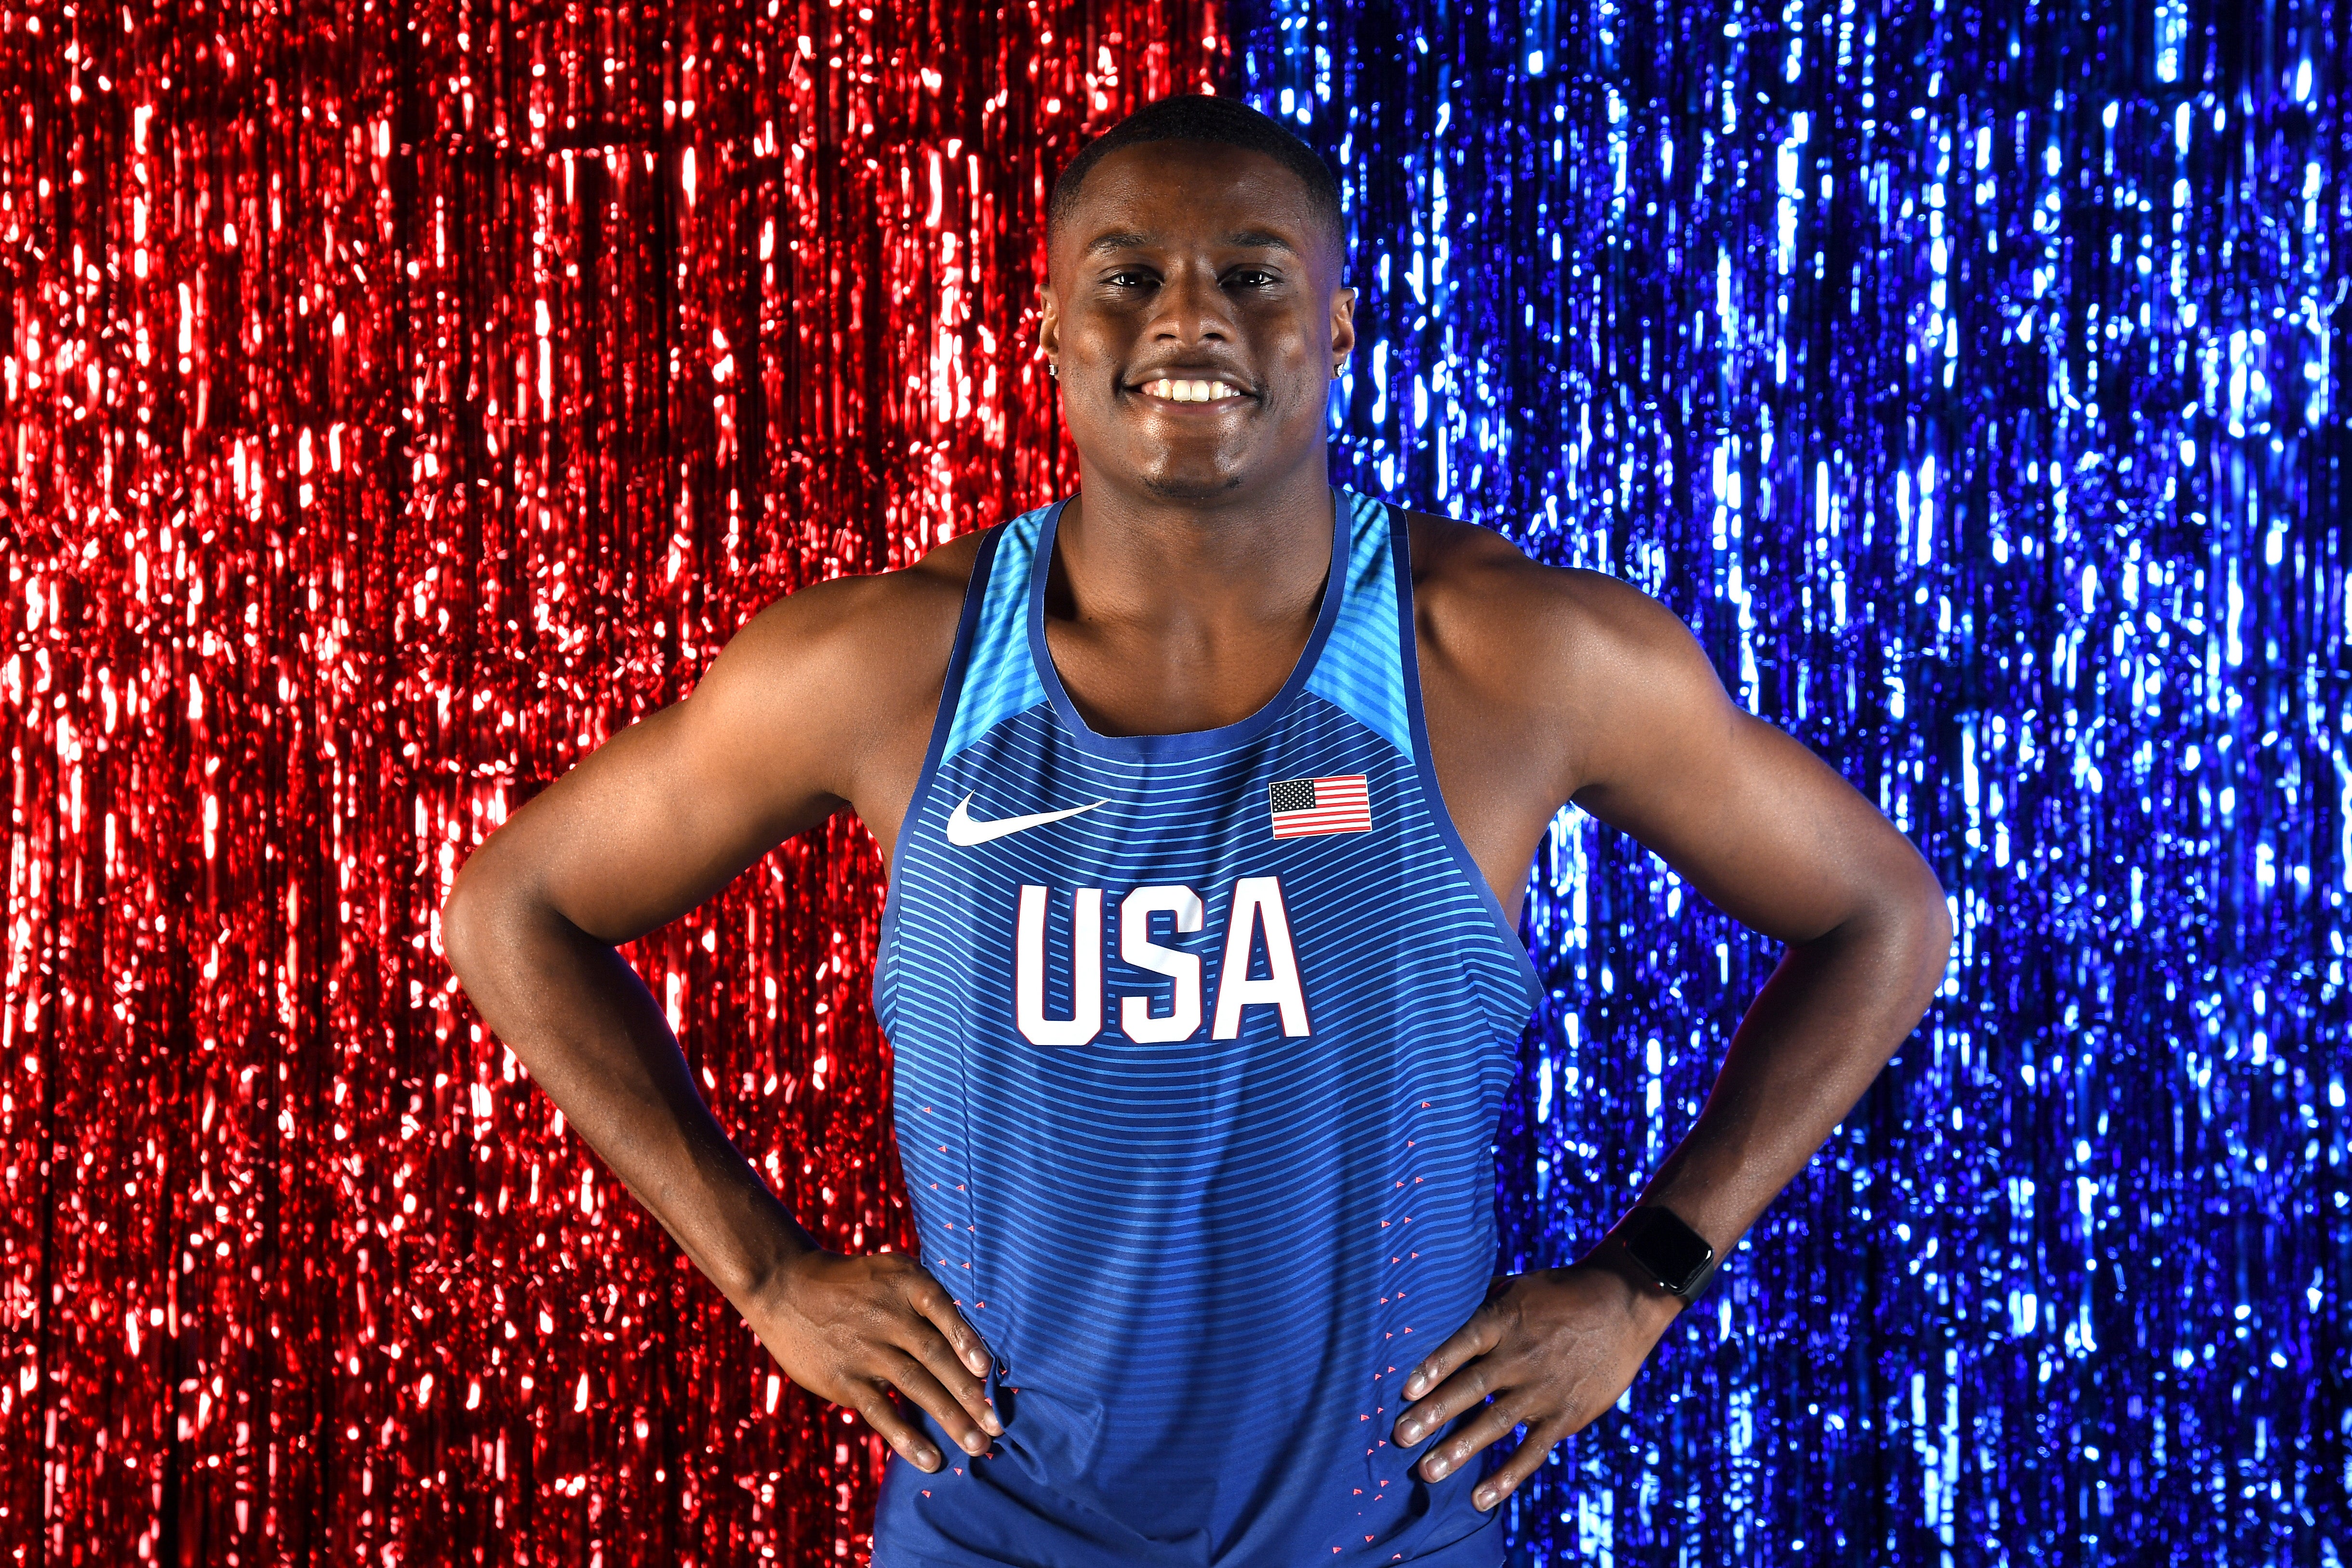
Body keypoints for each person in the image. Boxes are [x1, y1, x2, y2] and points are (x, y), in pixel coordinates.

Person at [442, 94, 1951, 1567]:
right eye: (1128, 277)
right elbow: (514, 905)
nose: (1187, 318)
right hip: (995, 1535)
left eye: (1250, 274)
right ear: (1047, 329)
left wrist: (1648, 1276)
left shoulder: (1515, 657)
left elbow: (1884, 913)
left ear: (1338, 328)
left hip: (1384, 1541)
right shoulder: (883, 666)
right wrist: (767, 1275)